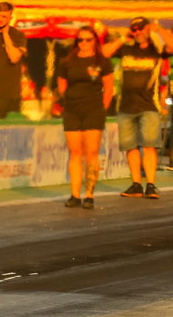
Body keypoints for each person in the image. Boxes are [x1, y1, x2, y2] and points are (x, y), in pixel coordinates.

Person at [102, 17, 173, 199]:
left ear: (147, 29)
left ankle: (151, 185)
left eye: (141, 28)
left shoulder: (156, 49)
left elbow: (172, 46)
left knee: (149, 146)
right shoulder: (126, 48)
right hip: (126, 106)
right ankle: (135, 185)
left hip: (149, 105)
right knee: (130, 147)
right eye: (135, 29)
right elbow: (104, 52)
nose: (138, 32)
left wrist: (159, 29)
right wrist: (123, 37)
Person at [57, 26, 114, 210]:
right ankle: (75, 195)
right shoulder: (67, 62)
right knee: (75, 153)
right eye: (80, 39)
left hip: (94, 110)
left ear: (95, 41)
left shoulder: (103, 62)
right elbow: (61, 86)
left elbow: (109, 88)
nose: (84, 43)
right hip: (72, 110)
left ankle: (89, 195)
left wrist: (102, 108)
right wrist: (70, 101)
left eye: (88, 39)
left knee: (91, 153)